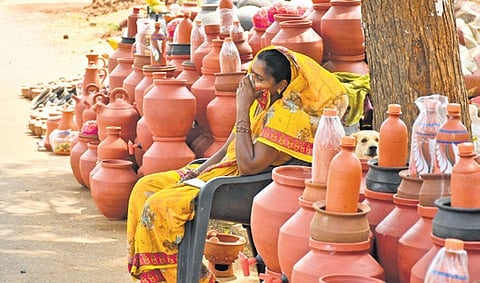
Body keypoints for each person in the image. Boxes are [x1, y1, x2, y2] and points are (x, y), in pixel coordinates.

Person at [126, 45, 349, 282]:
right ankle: (168, 276)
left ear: (281, 85)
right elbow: (226, 149)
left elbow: (248, 166)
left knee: (160, 205)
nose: (250, 82)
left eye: (259, 78)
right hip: (220, 173)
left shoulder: (288, 115)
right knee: (144, 188)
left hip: (241, 188)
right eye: (251, 73)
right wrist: (197, 172)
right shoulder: (262, 100)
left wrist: (242, 107)